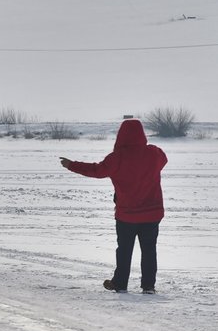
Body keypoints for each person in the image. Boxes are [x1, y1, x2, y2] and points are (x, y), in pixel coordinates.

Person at [60, 118, 167, 294]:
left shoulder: (117, 158)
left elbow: (96, 171)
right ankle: (148, 286)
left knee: (124, 250)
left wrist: (71, 165)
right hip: (152, 214)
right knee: (149, 251)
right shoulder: (154, 153)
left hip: (127, 214)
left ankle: (120, 283)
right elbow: (163, 159)